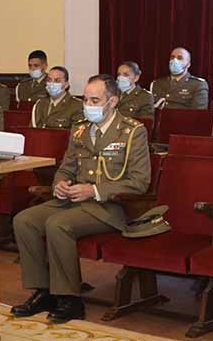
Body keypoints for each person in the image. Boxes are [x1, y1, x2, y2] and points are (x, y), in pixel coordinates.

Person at [12, 75, 150, 324]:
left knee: (58, 224)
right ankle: (44, 291)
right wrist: (60, 184)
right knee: (25, 220)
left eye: (95, 100)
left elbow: (140, 182)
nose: (88, 105)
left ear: (113, 102)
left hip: (110, 206)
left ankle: (70, 299)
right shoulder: (79, 130)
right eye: (85, 99)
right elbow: (66, 169)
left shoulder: (132, 132)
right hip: (74, 201)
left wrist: (94, 190)